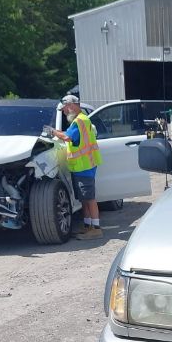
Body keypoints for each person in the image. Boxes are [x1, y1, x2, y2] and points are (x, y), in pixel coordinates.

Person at [48, 95, 103, 240]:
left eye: (65, 109)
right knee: (84, 199)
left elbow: (67, 137)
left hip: (84, 166)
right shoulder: (82, 119)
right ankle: (88, 226)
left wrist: (53, 132)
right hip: (82, 166)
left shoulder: (79, 121)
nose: (65, 112)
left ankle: (96, 229)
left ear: (71, 105)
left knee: (89, 198)